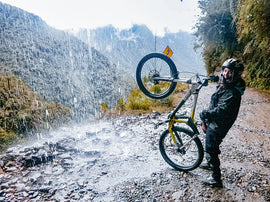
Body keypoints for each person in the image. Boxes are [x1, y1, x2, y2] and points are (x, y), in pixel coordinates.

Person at [199, 58, 246, 187]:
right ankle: (210, 162)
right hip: (217, 121)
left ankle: (216, 178)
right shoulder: (230, 83)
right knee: (210, 141)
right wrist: (215, 79)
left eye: (229, 72)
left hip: (220, 124)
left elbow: (221, 110)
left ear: (235, 74)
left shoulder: (233, 93)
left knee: (211, 146)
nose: (226, 74)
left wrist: (206, 114)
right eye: (224, 71)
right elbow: (222, 83)